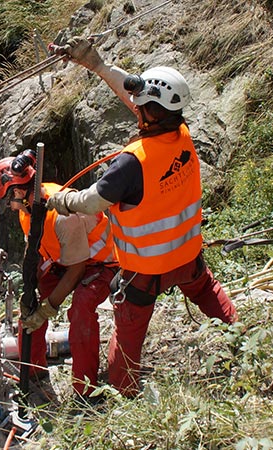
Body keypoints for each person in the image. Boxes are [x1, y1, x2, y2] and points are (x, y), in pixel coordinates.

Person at [46, 37, 238, 397]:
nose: (135, 105)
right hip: (187, 256)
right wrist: (98, 65)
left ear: (151, 111)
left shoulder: (132, 163)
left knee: (128, 333)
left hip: (145, 271)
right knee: (207, 292)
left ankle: (125, 391)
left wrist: (63, 200)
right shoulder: (181, 135)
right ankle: (241, 338)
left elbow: (92, 202)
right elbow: (138, 96)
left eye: (141, 104)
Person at [0, 152, 117, 401]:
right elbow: (35, 248)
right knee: (29, 308)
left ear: (18, 191)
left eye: (7, 199)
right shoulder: (27, 209)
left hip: (99, 264)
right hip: (64, 260)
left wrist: (47, 308)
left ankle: (86, 391)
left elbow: (77, 269)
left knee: (81, 310)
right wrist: (30, 292)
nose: (8, 205)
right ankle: (32, 371)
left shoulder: (62, 215)